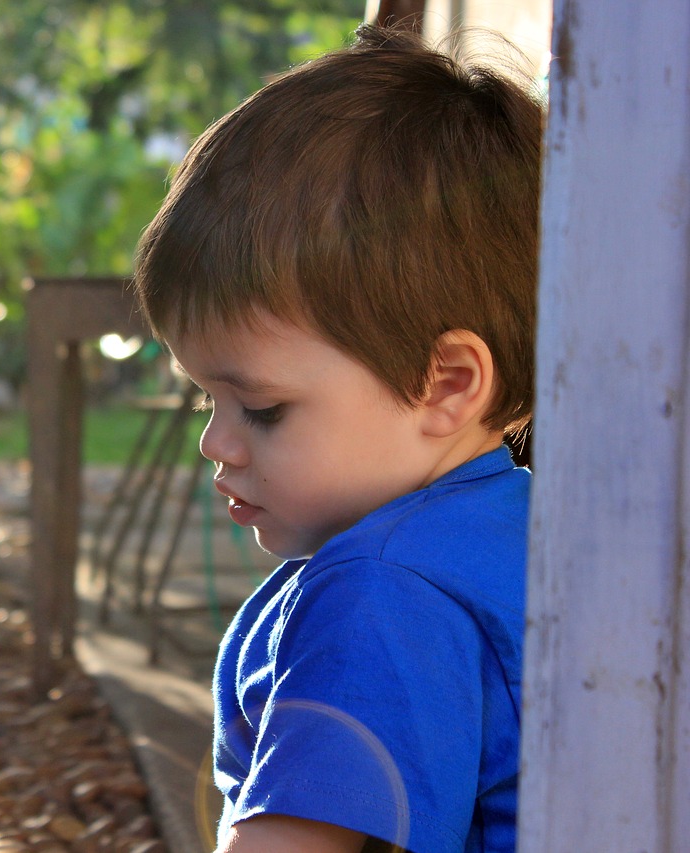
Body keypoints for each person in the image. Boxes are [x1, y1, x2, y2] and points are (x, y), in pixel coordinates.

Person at [132, 23, 542, 853]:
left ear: (449, 383)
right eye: (207, 398)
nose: (217, 442)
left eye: (263, 408)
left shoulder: (380, 592)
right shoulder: (524, 529)